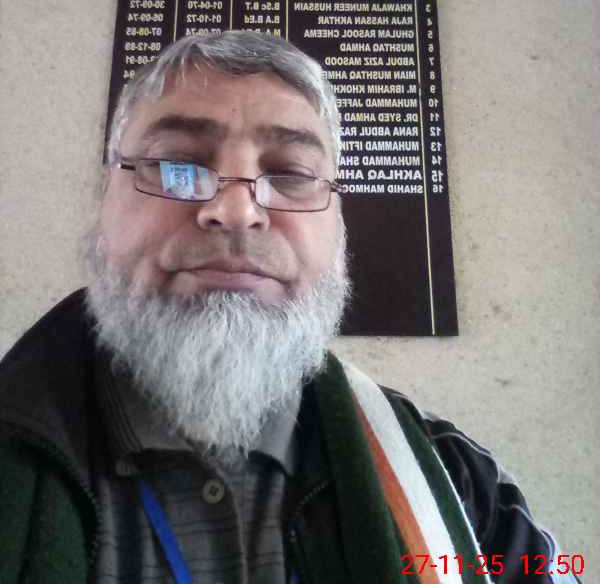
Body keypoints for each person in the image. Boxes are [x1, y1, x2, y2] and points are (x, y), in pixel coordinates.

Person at [0, 31, 580, 584]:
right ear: (105, 198)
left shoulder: (458, 485)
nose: (236, 211)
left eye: (290, 174)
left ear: (339, 226)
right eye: (179, 165)